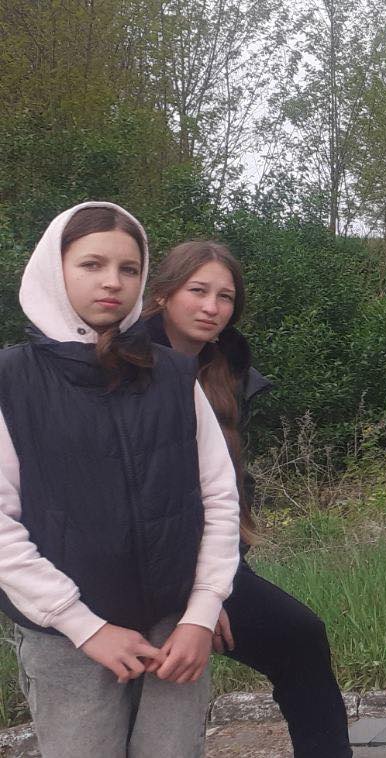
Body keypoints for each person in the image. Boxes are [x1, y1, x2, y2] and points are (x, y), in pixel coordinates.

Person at [0, 202, 240, 756]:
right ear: (53, 270)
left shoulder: (174, 375)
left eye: (128, 269)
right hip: (67, 636)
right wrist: (84, 626)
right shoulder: (12, 379)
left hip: (174, 629)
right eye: (92, 264)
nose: (112, 282)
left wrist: (201, 613)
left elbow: (219, 498)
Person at [142, 241, 352, 757]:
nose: (211, 307)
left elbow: (221, 488)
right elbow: (147, 495)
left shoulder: (222, 368)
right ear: (163, 294)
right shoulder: (129, 366)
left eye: (225, 297)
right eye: (198, 291)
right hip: (147, 564)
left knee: (301, 640)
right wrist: (200, 597)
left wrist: (218, 582)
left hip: (215, 555)